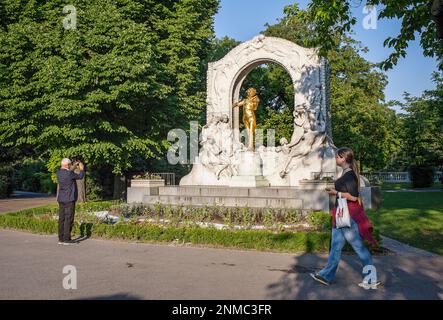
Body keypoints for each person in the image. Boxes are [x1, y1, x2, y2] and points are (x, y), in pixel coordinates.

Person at [310, 147, 381, 289]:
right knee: (335, 247)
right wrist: (336, 193)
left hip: (347, 216)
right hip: (341, 215)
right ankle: (326, 276)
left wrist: (336, 192)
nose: (335, 159)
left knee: (358, 247)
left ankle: (371, 279)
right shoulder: (346, 173)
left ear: (343, 158)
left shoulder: (349, 176)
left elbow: (353, 197)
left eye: (337, 157)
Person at [56, 158, 85, 245]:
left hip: (61, 198)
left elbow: (68, 171)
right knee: (69, 218)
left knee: (62, 218)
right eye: (70, 165)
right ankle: (67, 239)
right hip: (69, 199)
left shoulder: (59, 172)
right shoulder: (70, 173)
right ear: (68, 165)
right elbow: (80, 176)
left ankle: (60, 238)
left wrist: (73, 166)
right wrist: (81, 168)